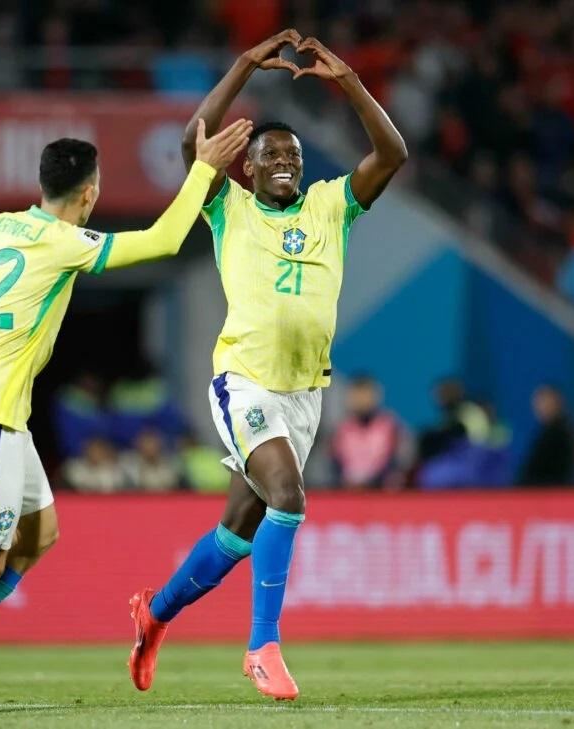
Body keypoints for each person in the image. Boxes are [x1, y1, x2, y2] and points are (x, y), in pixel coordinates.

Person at [0, 120, 252, 716]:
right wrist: (204, 168)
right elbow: (166, 240)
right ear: (89, 193)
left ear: (42, 185)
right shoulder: (64, 242)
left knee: (39, 533)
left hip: (0, 413)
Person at [128, 28, 407, 701]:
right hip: (245, 380)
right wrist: (244, 65)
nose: (286, 161)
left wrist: (350, 84)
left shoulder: (330, 206)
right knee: (288, 495)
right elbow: (194, 139)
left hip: (304, 394)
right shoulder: (228, 208)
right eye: (271, 154)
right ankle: (262, 647)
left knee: (240, 529)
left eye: (294, 154)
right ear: (247, 167)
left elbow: (393, 152)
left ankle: (154, 611)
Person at [330, 376, 412, 489]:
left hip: (381, 489)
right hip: (347, 489)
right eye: (357, 395)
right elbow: (335, 462)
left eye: (366, 394)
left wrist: (374, 481)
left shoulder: (390, 426)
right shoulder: (341, 429)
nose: (362, 400)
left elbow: (399, 461)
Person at [518, 385, 574, 486]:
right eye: (537, 402)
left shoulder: (559, 433)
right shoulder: (548, 431)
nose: (539, 407)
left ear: (556, 402)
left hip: (550, 495)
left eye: (543, 401)